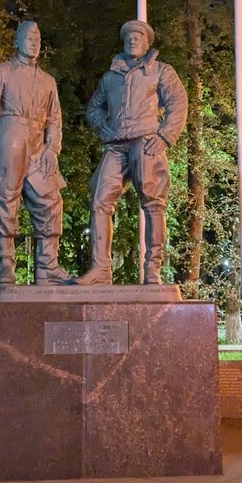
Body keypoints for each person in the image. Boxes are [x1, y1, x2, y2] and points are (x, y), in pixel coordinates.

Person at [73, 20, 188, 285]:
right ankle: (101, 269)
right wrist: (103, 127)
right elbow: (94, 108)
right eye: (128, 38)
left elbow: (178, 102)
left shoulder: (160, 71)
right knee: (100, 200)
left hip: (146, 141)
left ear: (148, 44)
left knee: (153, 202)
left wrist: (165, 136)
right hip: (116, 144)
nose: (133, 41)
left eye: (138, 37)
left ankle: (153, 269)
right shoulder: (110, 77)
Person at [0, 21, 71, 285]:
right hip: (11, 136)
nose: (34, 43)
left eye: (38, 39)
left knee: (50, 199)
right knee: (6, 198)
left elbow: (55, 119)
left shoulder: (48, 81)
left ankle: (47, 266)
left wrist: (53, 148)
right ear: (17, 42)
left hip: (39, 144)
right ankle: (5, 265)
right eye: (29, 38)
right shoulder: (1, 72)